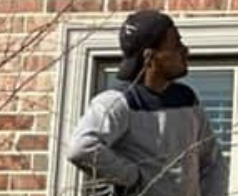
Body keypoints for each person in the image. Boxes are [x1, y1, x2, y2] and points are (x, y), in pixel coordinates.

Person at [68, 10, 229, 195]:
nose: (185, 51)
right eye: (176, 45)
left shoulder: (187, 100)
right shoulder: (119, 102)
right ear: (150, 57)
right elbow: (81, 148)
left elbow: (213, 162)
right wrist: (132, 178)